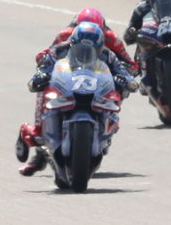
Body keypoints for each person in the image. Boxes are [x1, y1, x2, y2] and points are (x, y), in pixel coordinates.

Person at [21, 23, 140, 176]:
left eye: (92, 49)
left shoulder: (108, 55)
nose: (86, 53)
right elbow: (45, 65)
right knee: (45, 94)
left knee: (114, 101)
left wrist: (127, 80)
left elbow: (121, 70)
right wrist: (41, 76)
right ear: (73, 43)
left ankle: (106, 131)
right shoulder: (59, 50)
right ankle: (44, 135)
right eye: (80, 48)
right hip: (67, 89)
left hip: (94, 90)